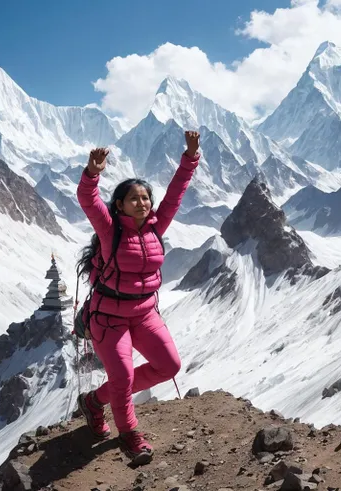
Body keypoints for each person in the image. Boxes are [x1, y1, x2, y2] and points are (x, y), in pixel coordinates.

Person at [74, 131, 201, 465]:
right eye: (135, 199)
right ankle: (129, 435)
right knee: (124, 377)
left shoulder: (155, 227)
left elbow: (174, 196)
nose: (143, 203)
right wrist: (92, 175)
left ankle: (94, 402)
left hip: (144, 313)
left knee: (169, 366)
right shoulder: (110, 230)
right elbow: (88, 201)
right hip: (108, 317)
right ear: (120, 205)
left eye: (146, 198)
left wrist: (190, 157)